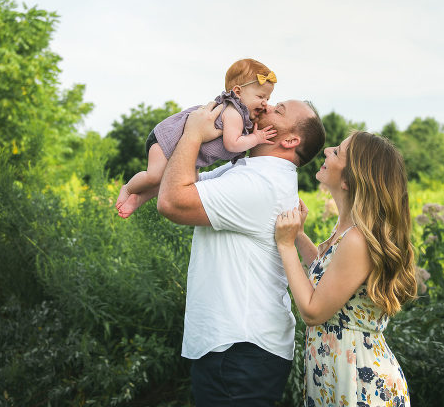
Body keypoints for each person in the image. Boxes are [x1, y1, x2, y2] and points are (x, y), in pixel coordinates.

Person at [157, 98, 326, 406]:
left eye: (279, 110)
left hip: (240, 351)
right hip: (234, 348)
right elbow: (180, 182)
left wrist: (193, 134)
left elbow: (173, 202)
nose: (266, 106)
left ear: (289, 140)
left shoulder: (260, 183)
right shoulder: (246, 171)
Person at [274, 131, 417, 407]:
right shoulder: (348, 232)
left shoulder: (356, 239)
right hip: (339, 373)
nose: (327, 150)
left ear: (350, 180)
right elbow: (332, 281)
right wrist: (299, 236)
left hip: (359, 382)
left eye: (337, 152)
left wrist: (286, 246)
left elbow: (314, 311)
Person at [115, 58, 278, 218]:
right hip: (166, 141)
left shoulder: (242, 116)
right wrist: (257, 138)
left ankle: (138, 199)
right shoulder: (234, 113)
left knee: (184, 180)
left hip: (184, 153)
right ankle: (128, 189)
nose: (265, 103)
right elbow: (232, 144)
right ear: (237, 92)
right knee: (154, 176)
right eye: (260, 97)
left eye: (268, 99)